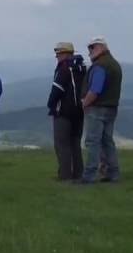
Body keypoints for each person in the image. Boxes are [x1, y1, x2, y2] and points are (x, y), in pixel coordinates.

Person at [81, 36, 123, 184]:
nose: (89, 52)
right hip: (112, 108)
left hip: (97, 108)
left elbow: (95, 90)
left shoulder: (100, 66)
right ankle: (113, 173)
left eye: (92, 48)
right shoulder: (115, 64)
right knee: (107, 142)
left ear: (100, 47)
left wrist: (85, 103)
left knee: (93, 142)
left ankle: (89, 175)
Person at [47, 43, 86, 182]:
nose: (57, 57)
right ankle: (79, 173)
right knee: (75, 143)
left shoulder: (63, 68)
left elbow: (57, 89)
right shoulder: (82, 68)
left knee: (62, 144)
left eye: (59, 54)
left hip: (63, 112)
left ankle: (65, 175)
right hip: (79, 111)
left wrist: (51, 105)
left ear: (65, 54)